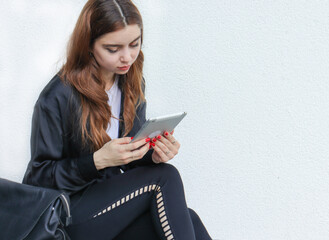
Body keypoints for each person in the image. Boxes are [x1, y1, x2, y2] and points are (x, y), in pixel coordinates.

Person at [22, 0, 212, 239]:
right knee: (165, 177)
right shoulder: (57, 96)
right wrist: (96, 161)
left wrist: (152, 155)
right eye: (113, 49)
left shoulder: (131, 83)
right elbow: (37, 179)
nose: (127, 57)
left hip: (110, 206)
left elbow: (129, 161)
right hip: (67, 214)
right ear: (89, 46)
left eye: (134, 44)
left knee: (188, 218)